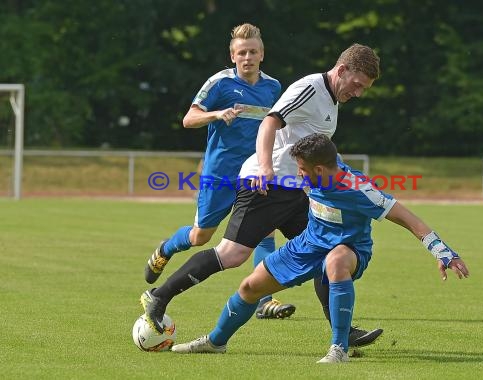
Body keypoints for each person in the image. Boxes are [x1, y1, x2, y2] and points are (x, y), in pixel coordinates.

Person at [140, 43, 384, 347]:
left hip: (295, 191)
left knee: (326, 253)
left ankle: (342, 331)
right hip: (265, 185)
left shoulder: (331, 100)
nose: (358, 92)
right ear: (343, 69)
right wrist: (265, 168)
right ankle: (159, 297)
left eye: (364, 89)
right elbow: (270, 122)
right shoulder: (310, 88)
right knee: (231, 255)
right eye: (357, 84)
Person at [169, 133, 470, 363]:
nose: (299, 174)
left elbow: (409, 218)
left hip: (350, 249)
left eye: (303, 169)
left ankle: (339, 347)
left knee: (335, 261)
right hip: (307, 244)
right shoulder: (317, 171)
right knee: (249, 288)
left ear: (323, 169)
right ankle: (216, 342)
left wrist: (443, 252)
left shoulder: (359, 190)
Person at [143, 23, 295, 318]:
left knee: (265, 231)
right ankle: (165, 250)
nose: (247, 57)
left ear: (262, 54)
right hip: (219, 174)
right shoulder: (219, 84)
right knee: (201, 236)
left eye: (253, 51)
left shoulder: (273, 87)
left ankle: (266, 301)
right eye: (242, 52)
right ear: (232, 55)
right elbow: (189, 119)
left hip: (252, 174)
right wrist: (216, 114)